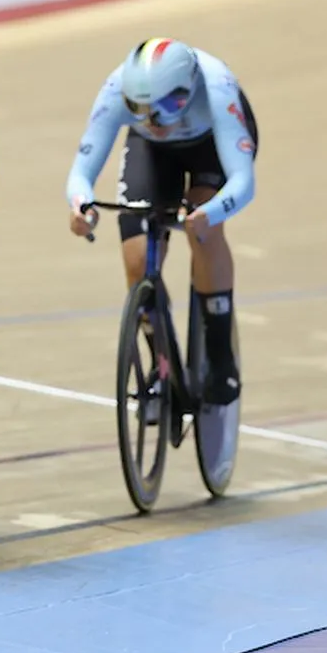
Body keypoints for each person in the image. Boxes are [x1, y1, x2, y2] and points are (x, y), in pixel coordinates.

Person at [65, 38, 257, 405]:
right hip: (153, 153)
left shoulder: (217, 86)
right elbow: (80, 174)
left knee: (204, 229)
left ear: (190, 87)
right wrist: (80, 207)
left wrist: (210, 214)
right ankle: (161, 366)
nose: (156, 119)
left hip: (212, 146)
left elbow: (243, 183)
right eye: (140, 108)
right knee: (137, 260)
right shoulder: (117, 91)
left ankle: (220, 356)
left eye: (170, 105)